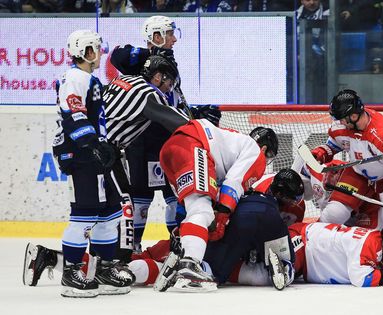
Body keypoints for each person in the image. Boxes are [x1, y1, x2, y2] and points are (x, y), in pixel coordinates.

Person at [23, 169, 302, 291]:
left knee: (133, 262)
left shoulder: (240, 190)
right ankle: (54, 260)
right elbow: (280, 258)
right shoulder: (265, 210)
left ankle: (55, 259)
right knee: (134, 270)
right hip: (204, 251)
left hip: (191, 235)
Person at [110, 16, 221, 252]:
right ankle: (132, 248)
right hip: (141, 141)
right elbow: (117, 56)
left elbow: (174, 100)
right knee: (141, 197)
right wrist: (148, 55)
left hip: (170, 140)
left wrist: (196, 113)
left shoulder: (171, 63)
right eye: (169, 34)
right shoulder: (142, 63)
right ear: (157, 36)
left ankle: (178, 245)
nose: (174, 39)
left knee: (176, 195)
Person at [48, 29, 134, 298]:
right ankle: (71, 271)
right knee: (85, 213)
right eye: (96, 48)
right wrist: (94, 144)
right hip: (81, 155)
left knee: (109, 212)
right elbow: (73, 114)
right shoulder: (74, 78)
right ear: (85, 51)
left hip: (94, 154)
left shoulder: (88, 78)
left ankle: (103, 268)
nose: (100, 52)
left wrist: (103, 144)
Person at [154, 121, 279, 292]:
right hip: (194, 145)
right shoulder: (255, 152)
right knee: (201, 210)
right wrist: (221, 219)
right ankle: (190, 266)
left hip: (171, 150)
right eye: (268, 156)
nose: (265, 162)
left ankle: (184, 255)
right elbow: (233, 185)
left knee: (197, 210)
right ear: (264, 149)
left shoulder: (231, 146)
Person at [309, 89, 383, 231]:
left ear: (353, 116)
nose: (339, 122)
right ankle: (311, 241)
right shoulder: (342, 126)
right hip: (358, 173)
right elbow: (334, 145)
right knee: (335, 213)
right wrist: (322, 152)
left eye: (341, 118)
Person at [288, 218, 383, 287]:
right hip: (302, 240)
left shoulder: (382, 249)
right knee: (283, 271)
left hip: (307, 261)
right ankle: (284, 265)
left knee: (281, 273)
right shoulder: (371, 243)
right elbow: (361, 279)